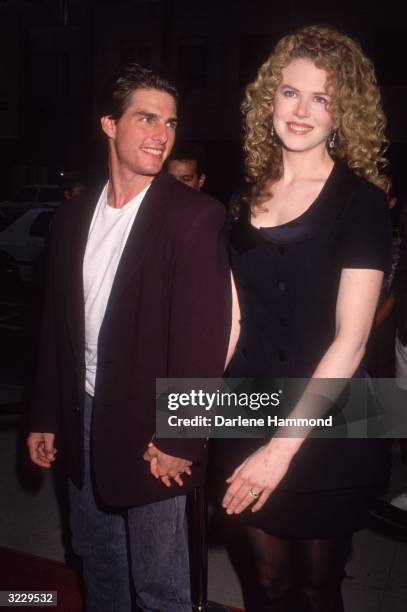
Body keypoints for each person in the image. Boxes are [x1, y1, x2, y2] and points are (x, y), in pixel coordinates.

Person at [26, 63, 231, 612]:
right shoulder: (72, 217)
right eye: (145, 118)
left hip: (153, 429)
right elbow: (57, 327)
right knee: (99, 561)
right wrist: (47, 414)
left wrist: (180, 439)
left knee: (162, 584)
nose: (161, 134)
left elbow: (202, 340)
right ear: (109, 125)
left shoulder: (195, 217)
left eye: (169, 122)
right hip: (83, 413)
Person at [220, 26, 392, 611]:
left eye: (322, 98)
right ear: (268, 99)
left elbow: (353, 339)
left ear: (343, 113)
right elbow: (233, 326)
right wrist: (183, 420)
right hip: (244, 408)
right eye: (291, 92)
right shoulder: (242, 199)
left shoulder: (362, 201)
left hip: (335, 416)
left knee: (316, 591)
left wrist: (279, 450)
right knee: (264, 587)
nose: (302, 110)